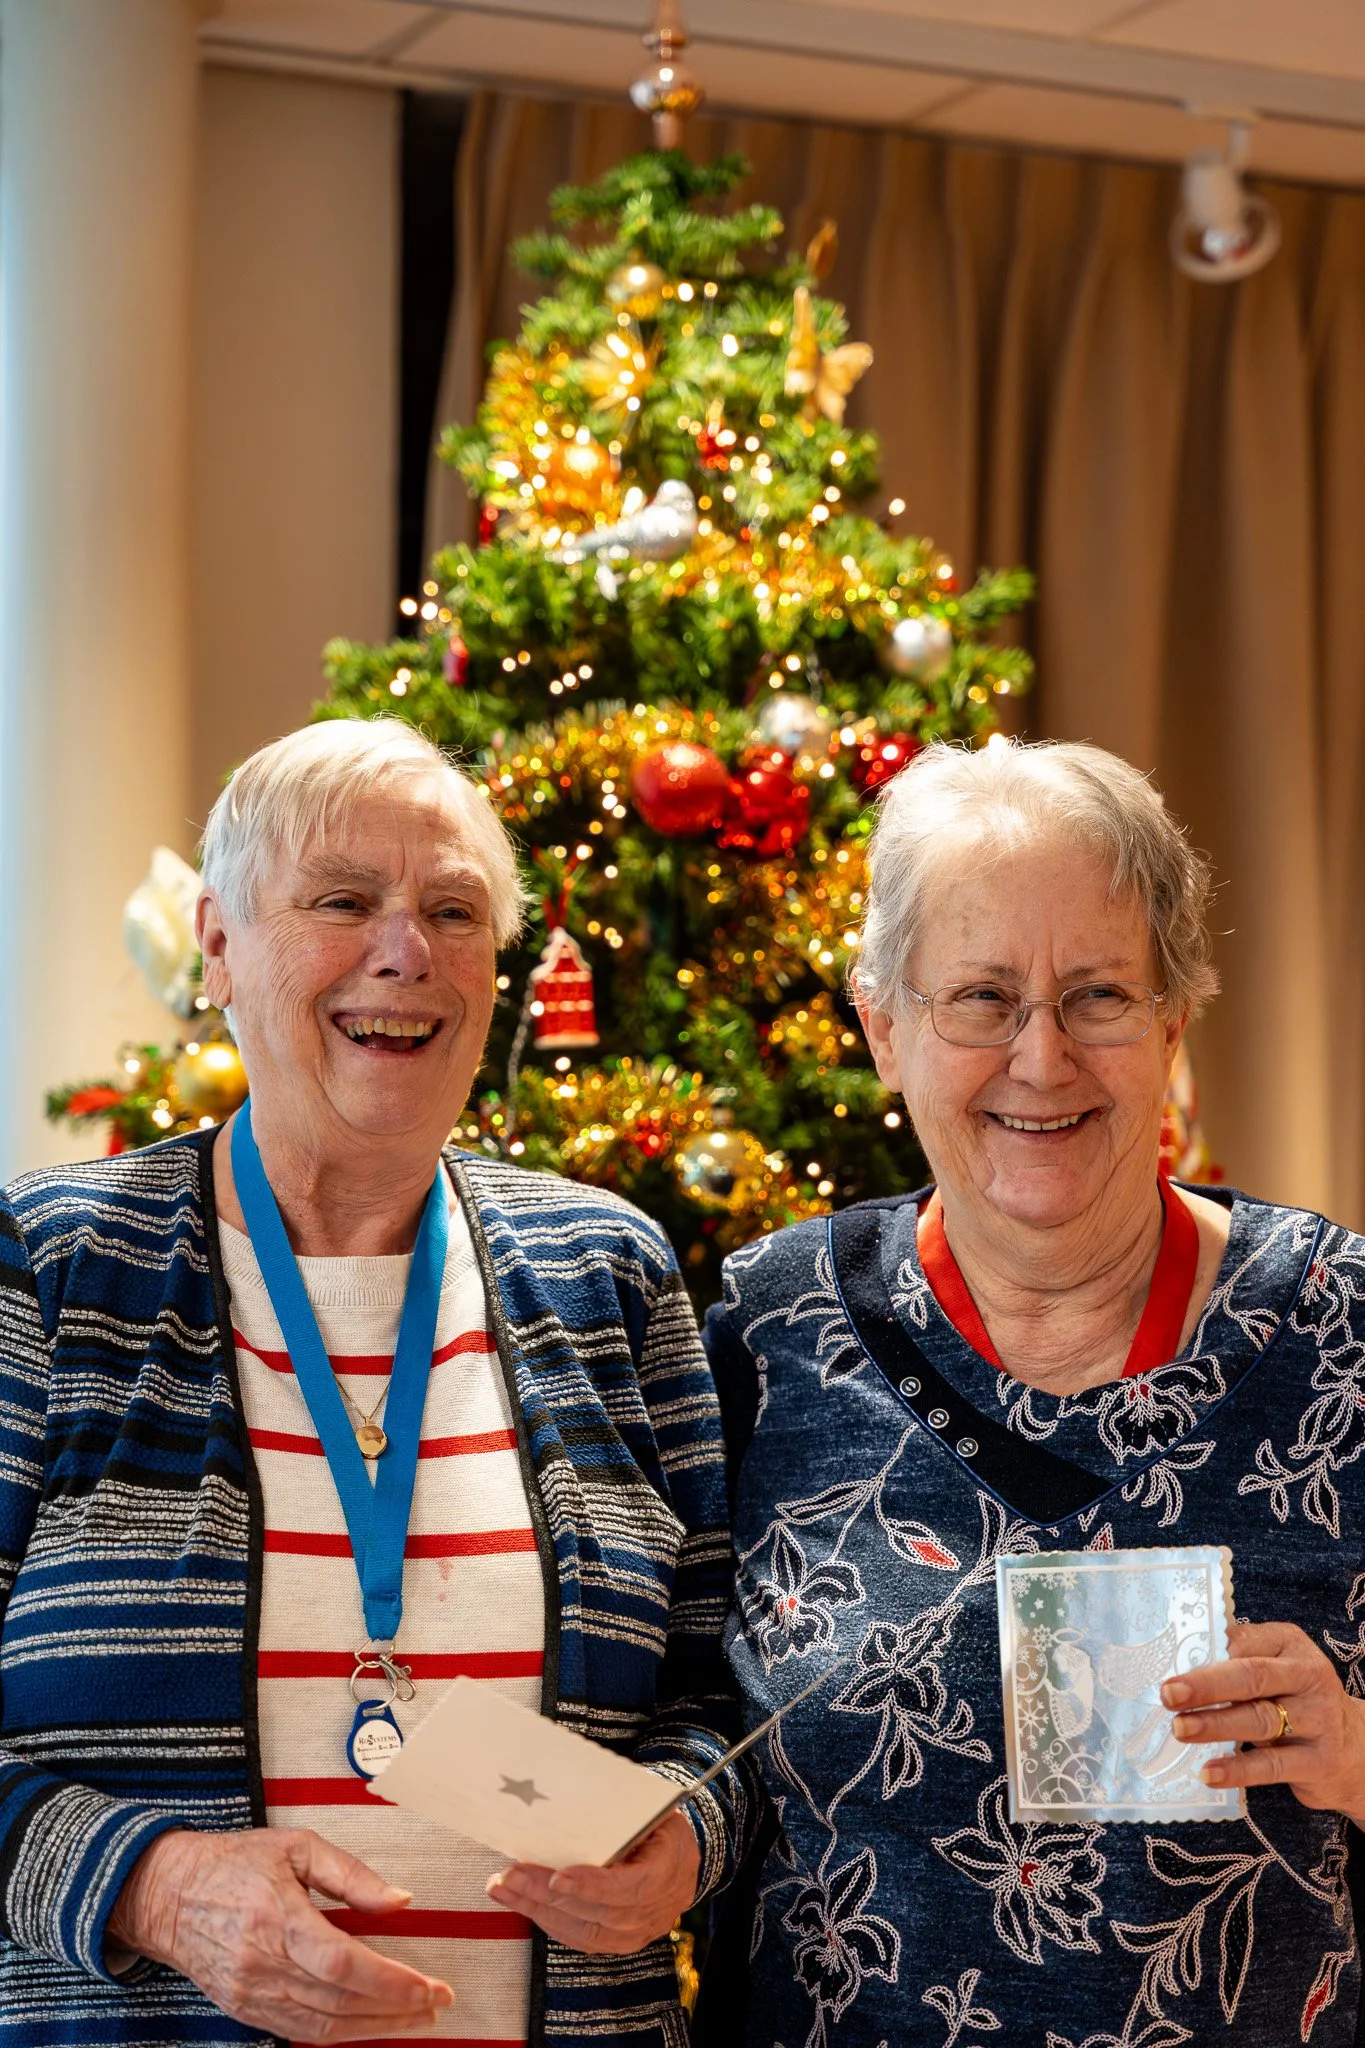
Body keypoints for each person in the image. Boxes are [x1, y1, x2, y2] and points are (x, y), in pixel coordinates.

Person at [0, 718, 750, 2048]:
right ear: (220, 945)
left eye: (453, 909)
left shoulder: (609, 1275)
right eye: (342, 901)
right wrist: (153, 1889)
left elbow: (719, 1696)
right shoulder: (54, 1269)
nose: (406, 950)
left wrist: (684, 1839)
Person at [698, 739, 1365, 2048]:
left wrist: (1353, 1749)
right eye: (982, 998)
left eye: (1100, 994)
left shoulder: (1340, 1328)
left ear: (1175, 1017)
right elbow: (663, 1732)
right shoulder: (766, 1333)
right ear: (884, 1028)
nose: (1043, 1059)